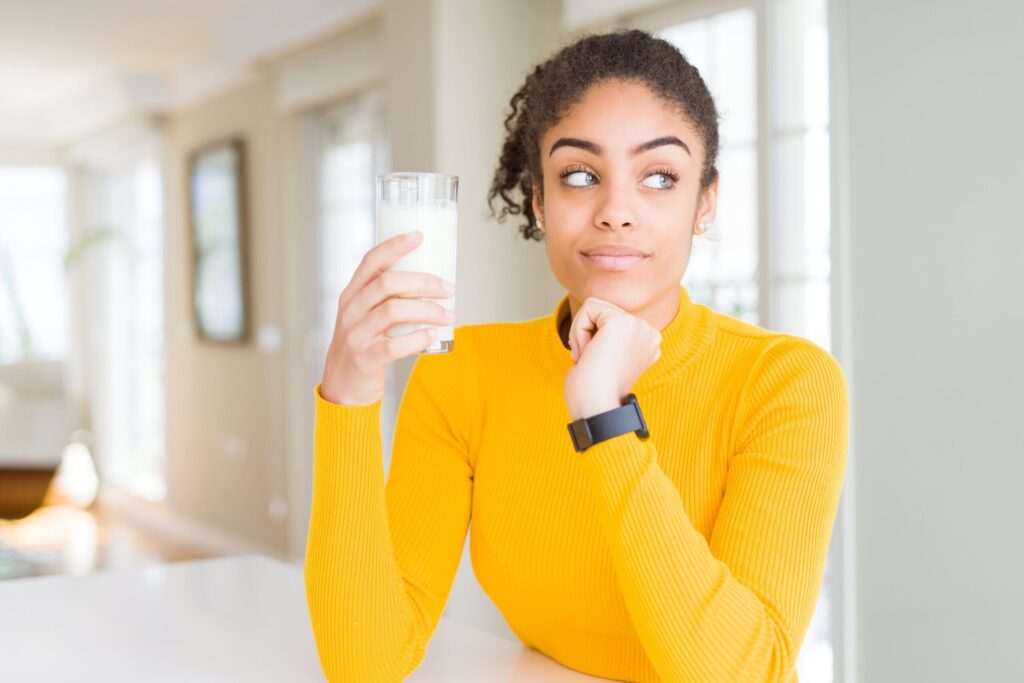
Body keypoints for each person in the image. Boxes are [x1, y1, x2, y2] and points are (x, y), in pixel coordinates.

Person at [305, 28, 848, 683]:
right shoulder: (463, 375)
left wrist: (605, 418)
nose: (616, 211)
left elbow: (745, 673)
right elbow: (364, 663)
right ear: (540, 199)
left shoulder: (786, 384)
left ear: (704, 202)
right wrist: (348, 393)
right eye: (580, 175)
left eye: (659, 177)